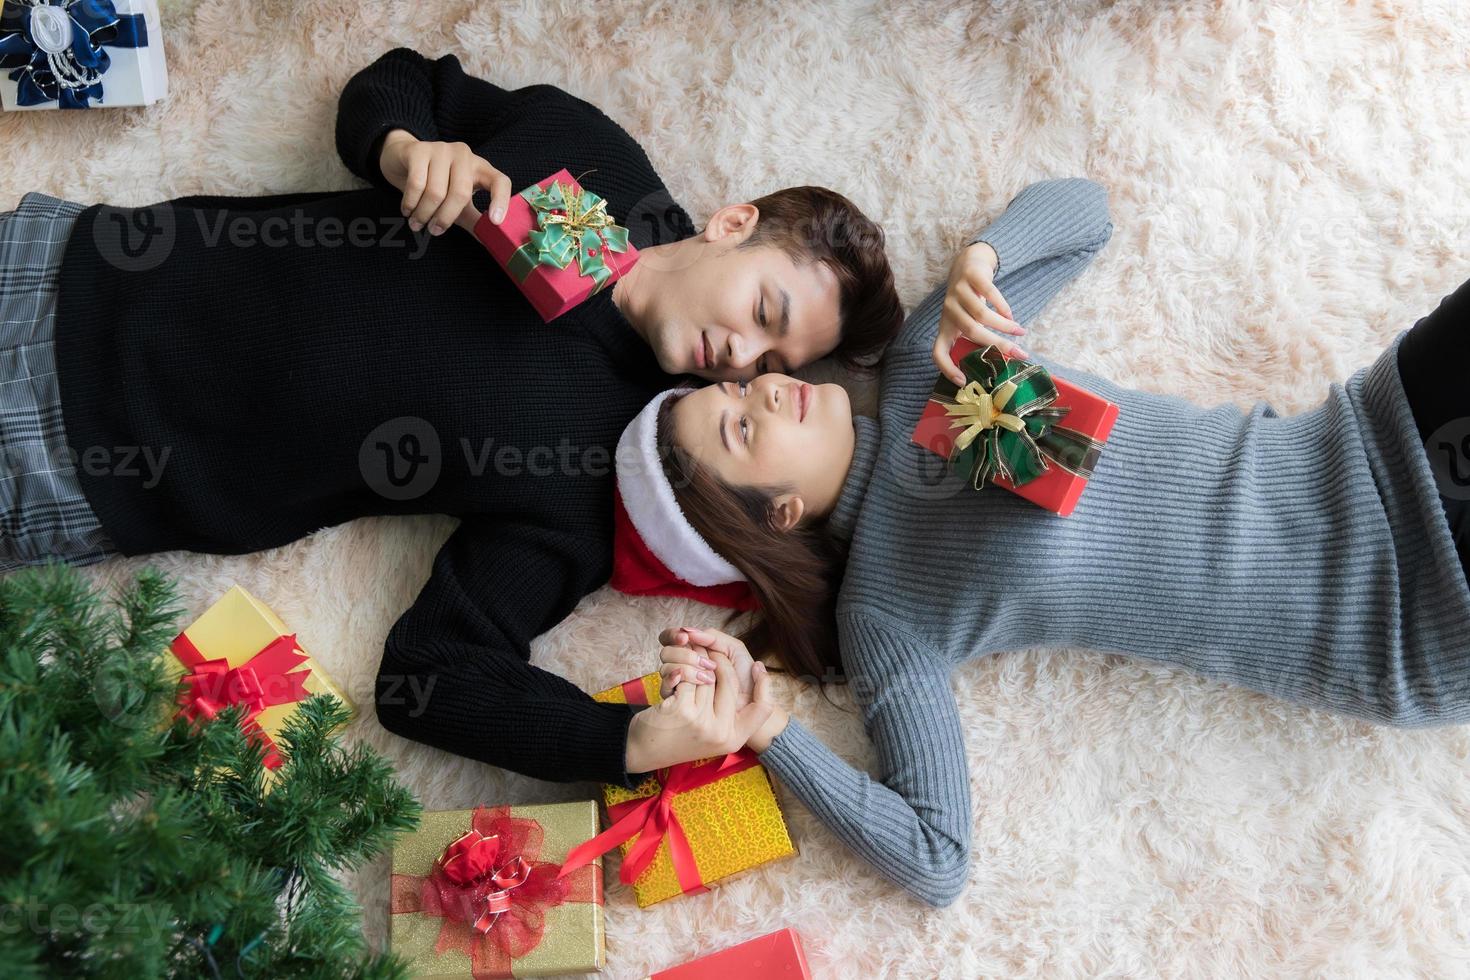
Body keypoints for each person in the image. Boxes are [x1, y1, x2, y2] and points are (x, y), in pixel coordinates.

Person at [0, 46, 908, 789]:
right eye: (765, 313)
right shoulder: (593, 162)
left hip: (63, 462)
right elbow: (403, 80)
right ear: (732, 223)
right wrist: (402, 148)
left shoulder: (615, 476)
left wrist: (625, 744)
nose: (744, 359)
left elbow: (426, 678)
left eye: (774, 364)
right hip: (67, 268)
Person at [606, 177, 1470, 906]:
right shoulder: (886, 613)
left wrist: (975, 268)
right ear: (780, 512)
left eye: (743, 387)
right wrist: (769, 732)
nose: (764, 394)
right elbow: (937, 859)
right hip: (1403, 613)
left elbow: (1087, 212)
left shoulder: (926, 361)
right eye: (741, 432)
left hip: (1374, 434)